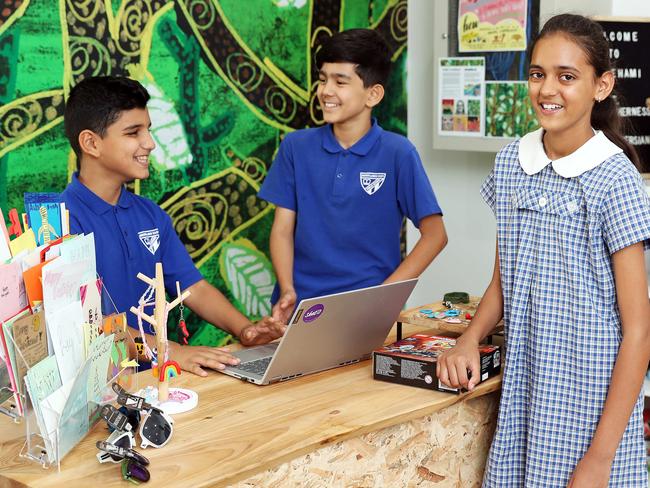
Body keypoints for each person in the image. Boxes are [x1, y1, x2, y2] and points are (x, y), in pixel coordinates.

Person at [437, 14, 650, 487]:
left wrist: (601, 457)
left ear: (602, 85)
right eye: (537, 74)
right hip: (527, 399)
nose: (547, 89)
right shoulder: (512, 163)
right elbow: (502, 283)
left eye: (566, 76)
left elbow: (638, 329)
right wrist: (469, 339)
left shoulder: (615, 179)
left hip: (594, 409)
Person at [60, 76, 286, 376]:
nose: (150, 144)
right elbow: (86, 326)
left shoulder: (151, 215)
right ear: (91, 143)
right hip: (97, 394)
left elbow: (193, 287)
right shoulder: (58, 222)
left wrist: (246, 331)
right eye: (133, 132)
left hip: (160, 382)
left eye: (149, 130)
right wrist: (168, 350)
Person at [259, 29, 447, 322]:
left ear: (373, 93)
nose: (325, 91)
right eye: (322, 79)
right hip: (302, 312)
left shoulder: (399, 153)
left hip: (364, 316)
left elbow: (435, 235)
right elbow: (282, 230)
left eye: (340, 82)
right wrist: (287, 289)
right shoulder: (295, 147)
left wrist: (384, 297)